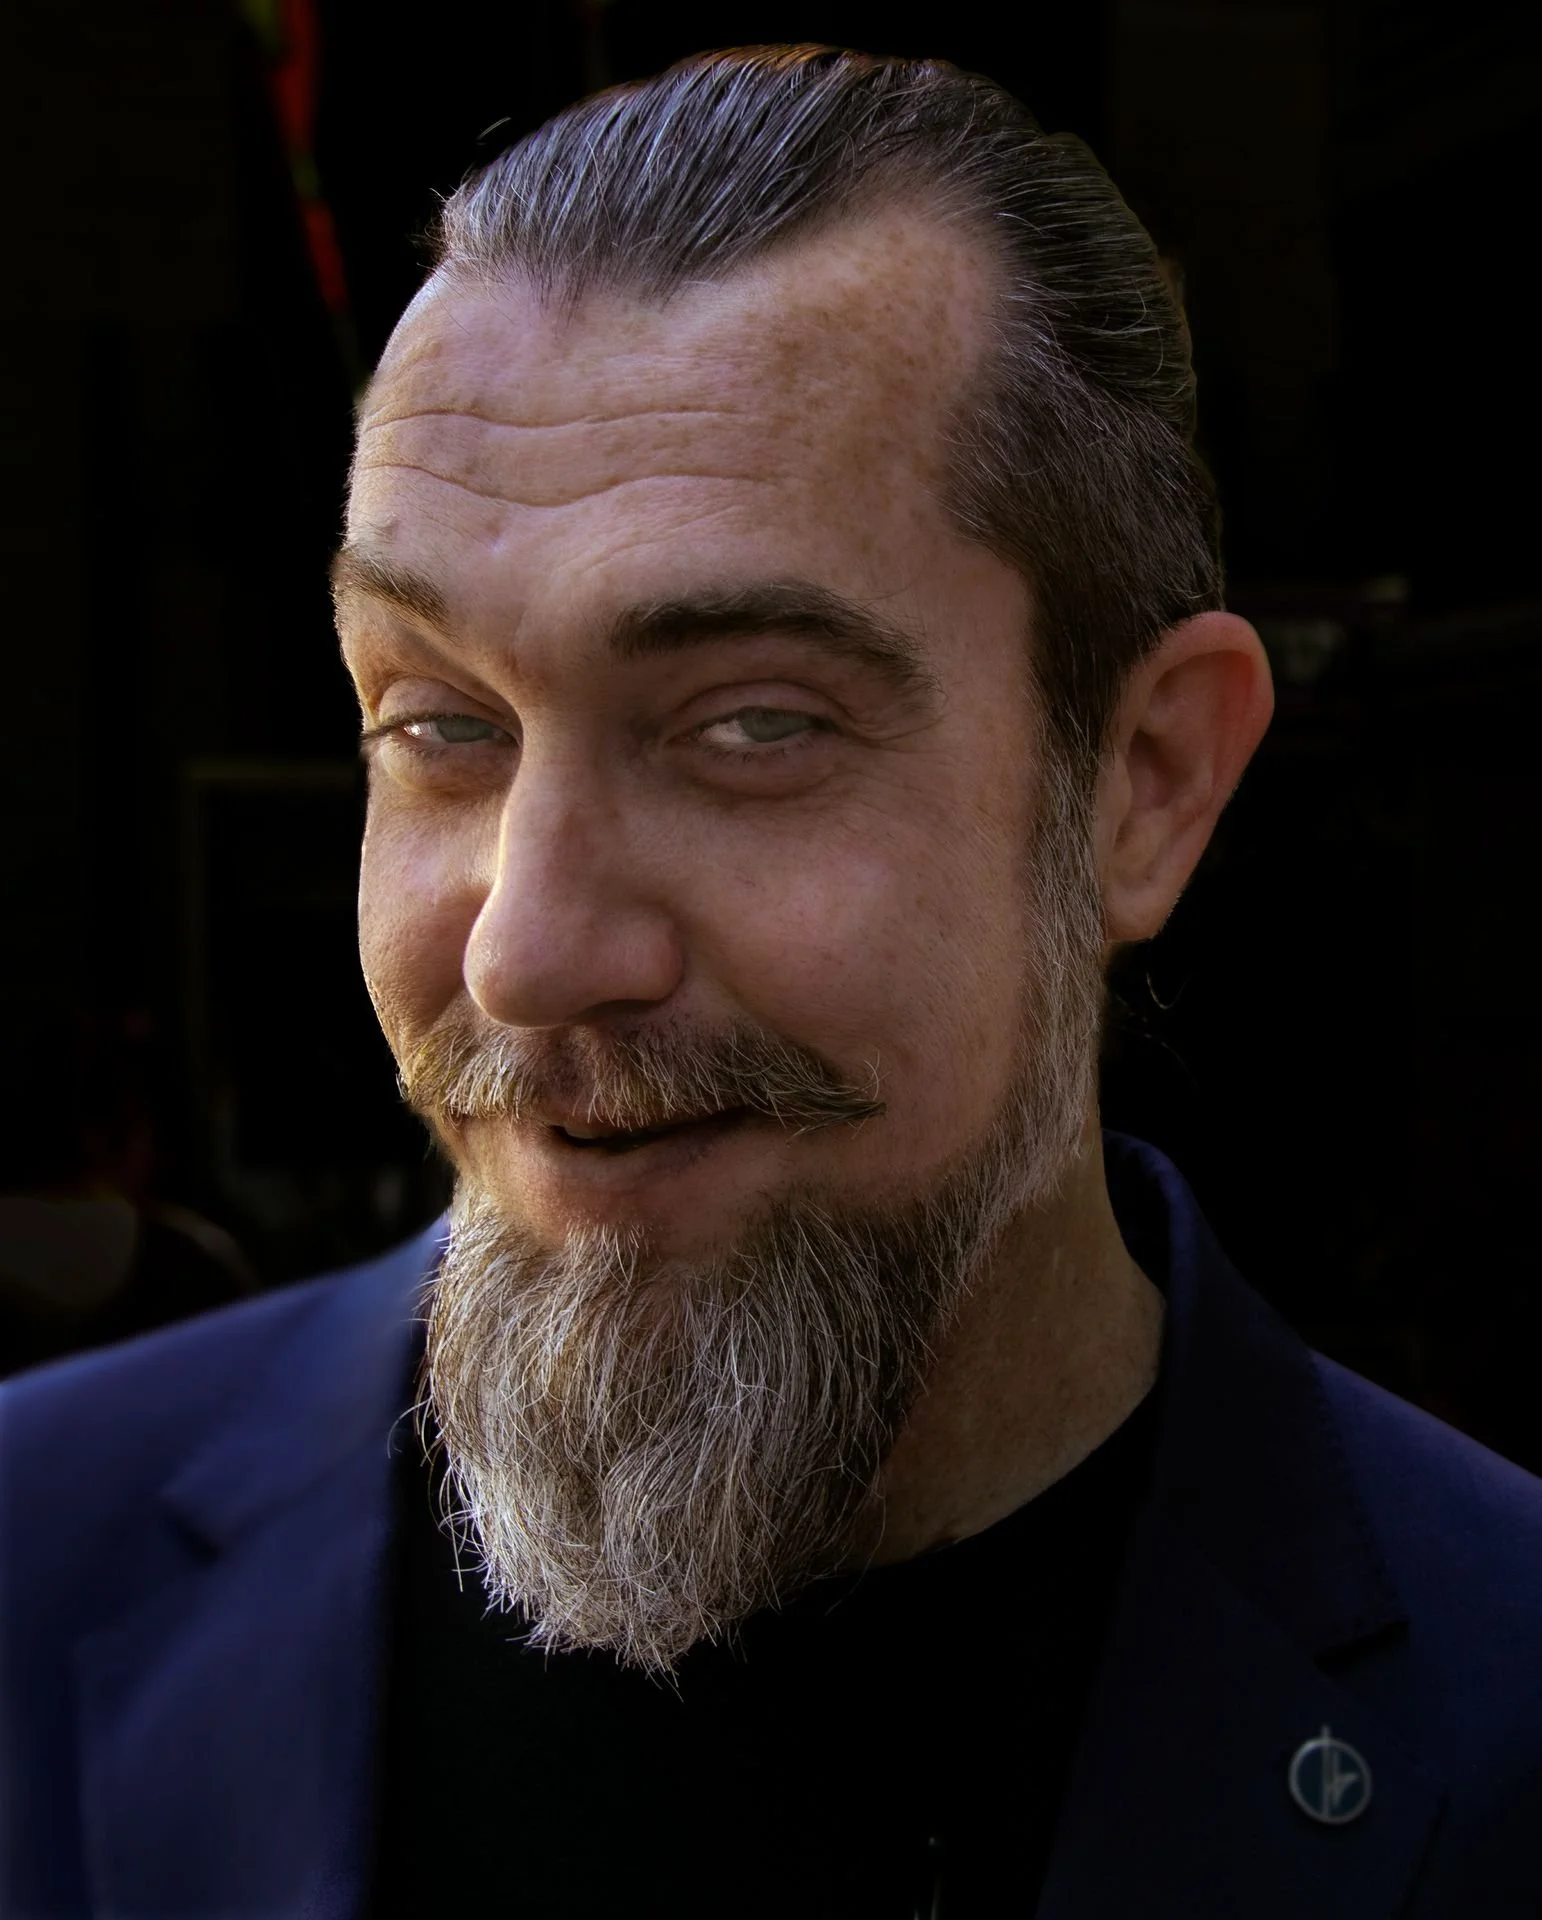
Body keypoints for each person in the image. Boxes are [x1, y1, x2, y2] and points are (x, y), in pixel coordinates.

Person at [3, 46, 1539, 1920]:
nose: (522, 951)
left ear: (1142, 784)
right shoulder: (29, 1571)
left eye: (750, 724)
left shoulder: (1503, 1714)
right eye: (438, 723)